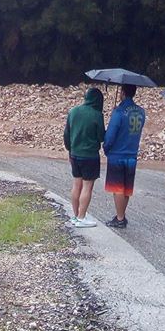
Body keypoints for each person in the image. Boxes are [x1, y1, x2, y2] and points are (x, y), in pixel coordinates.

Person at [102, 84, 146, 228]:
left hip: (118, 154)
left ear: (122, 92)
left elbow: (110, 135)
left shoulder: (119, 112)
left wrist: (106, 148)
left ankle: (120, 218)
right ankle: (121, 214)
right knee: (126, 188)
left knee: (118, 188)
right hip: (132, 153)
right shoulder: (141, 112)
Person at [63, 87, 105, 227]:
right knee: (87, 187)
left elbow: (67, 134)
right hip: (90, 156)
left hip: (75, 154)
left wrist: (70, 150)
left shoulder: (73, 111)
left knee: (76, 185)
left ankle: (75, 216)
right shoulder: (97, 115)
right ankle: (82, 217)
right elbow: (101, 137)